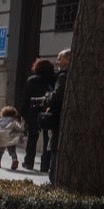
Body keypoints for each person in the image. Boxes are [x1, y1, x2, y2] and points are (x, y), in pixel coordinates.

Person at [41, 49, 72, 177]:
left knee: (55, 150)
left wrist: (47, 97)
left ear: (68, 60)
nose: (57, 62)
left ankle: (54, 179)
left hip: (59, 119)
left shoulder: (63, 75)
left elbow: (56, 97)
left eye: (60, 58)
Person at [23, 58, 57, 170]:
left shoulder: (32, 80)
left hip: (34, 112)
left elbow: (26, 98)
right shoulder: (54, 79)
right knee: (47, 139)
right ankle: (45, 165)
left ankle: (29, 162)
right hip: (48, 111)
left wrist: (22, 113)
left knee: (32, 137)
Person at [0, 105, 25, 171]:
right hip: (10, 140)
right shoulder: (14, 122)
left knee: (0, 152)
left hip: (1, 140)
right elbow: (21, 129)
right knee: (12, 151)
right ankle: (14, 159)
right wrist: (23, 122)